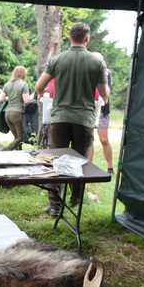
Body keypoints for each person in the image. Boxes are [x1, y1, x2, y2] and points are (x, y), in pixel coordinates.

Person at [35, 22, 109, 217]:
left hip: (59, 118)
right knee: (80, 161)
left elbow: (39, 86)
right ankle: (76, 198)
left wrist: (45, 95)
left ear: (69, 37)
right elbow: (104, 93)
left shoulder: (58, 60)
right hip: (84, 119)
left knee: (56, 161)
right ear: (87, 38)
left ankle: (54, 206)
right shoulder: (96, 62)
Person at [2, 66, 33, 150]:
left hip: (7, 114)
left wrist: (11, 98)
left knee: (16, 138)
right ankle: (4, 151)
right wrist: (33, 95)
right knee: (20, 138)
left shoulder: (7, 84)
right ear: (23, 74)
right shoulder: (23, 84)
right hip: (17, 113)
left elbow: (1, 99)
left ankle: (18, 152)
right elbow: (26, 101)